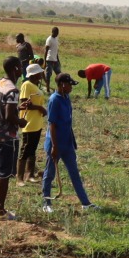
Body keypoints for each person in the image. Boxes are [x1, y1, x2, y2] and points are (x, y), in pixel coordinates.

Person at [41, 73, 96, 213]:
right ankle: (46, 203)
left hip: (67, 142)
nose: (72, 87)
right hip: (56, 144)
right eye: (70, 84)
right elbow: (52, 124)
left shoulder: (66, 97)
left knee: (74, 173)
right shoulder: (55, 100)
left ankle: (85, 203)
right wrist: (54, 146)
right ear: (62, 85)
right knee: (50, 174)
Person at [0, 56, 22, 220]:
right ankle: (0, 211)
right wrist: (20, 121)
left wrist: (18, 107)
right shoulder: (13, 90)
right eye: (20, 67)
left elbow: (3, 107)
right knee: (4, 174)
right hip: (7, 137)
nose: (22, 69)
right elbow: (9, 115)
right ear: (15, 69)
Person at [17, 64, 47, 184]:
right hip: (29, 122)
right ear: (34, 74)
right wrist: (40, 108)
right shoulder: (26, 84)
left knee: (32, 149)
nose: (41, 74)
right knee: (25, 149)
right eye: (39, 72)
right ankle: (19, 177)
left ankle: (30, 175)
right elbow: (24, 102)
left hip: (37, 122)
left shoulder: (35, 86)